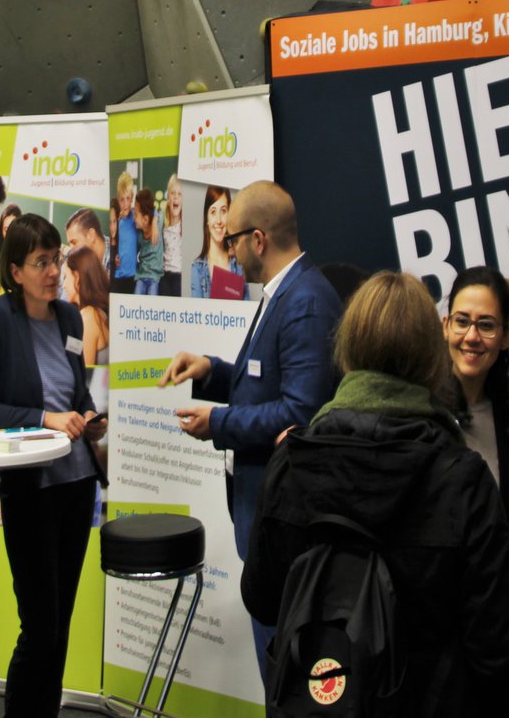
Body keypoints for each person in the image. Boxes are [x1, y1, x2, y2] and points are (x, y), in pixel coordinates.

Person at [242, 272, 509, 713]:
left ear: (349, 348)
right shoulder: (462, 479)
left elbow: (261, 598)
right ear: (431, 356)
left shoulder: (291, 461)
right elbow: (499, 647)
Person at [159, 180, 342, 671]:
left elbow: (301, 414)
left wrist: (218, 421)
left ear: (258, 239)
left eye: (234, 238)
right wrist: (212, 371)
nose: (229, 249)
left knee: (286, 670)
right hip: (267, 518)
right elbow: (264, 381)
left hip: (286, 523)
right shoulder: (284, 293)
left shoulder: (305, 301)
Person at [0, 214, 107, 717]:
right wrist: (46, 418)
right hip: (32, 488)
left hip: (77, 482)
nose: (52, 271)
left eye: (57, 260)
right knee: (39, 625)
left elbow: (78, 390)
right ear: (16, 270)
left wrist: (87, 416)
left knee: (59, 624)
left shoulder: (71, 319)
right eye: (42, 262)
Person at [442, 267, 509, 564]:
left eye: (486, 325)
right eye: (462, 322)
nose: (471, 337)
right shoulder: (421, 408)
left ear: (506, 336)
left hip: (498, 592)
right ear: (445, 326)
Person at [188, 184, 242, 299]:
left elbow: (247, 312)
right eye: (213, 212)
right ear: (206, 219)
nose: (218, 220)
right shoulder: (197, 268)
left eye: (223, 211)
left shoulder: (238, 264)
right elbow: (197, 313)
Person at [63, 246, 110, 367]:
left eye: (65, 277)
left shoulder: (88, 316)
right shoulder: (93, 313)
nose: (63, 285)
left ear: (77, 278)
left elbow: (80, 371)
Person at [109, 173, 137, 295]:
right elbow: (114, 244)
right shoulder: (117, 222)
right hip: (118, 276)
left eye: (128, 198)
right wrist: (115, 256)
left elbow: (152, 213)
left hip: (133, 277)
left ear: (132, 197)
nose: (125, 203)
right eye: (122, 199)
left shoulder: (136, 218)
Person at [132, 188, 162, 295]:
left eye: (135, 215)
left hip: (154, 278)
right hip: (141, 276)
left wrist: (154, 220)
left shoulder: (158, 224)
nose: (133, 217)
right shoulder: (139, 234)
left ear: (145, 219)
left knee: (151, 303)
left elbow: (159, 211)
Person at [159, 176, 183, 296]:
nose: (176, 197)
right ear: (168, 196)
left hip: (180, 274)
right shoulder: (163, 221)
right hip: (165, 273)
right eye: (172, 193)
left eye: (180, 194)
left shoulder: (184, 223)